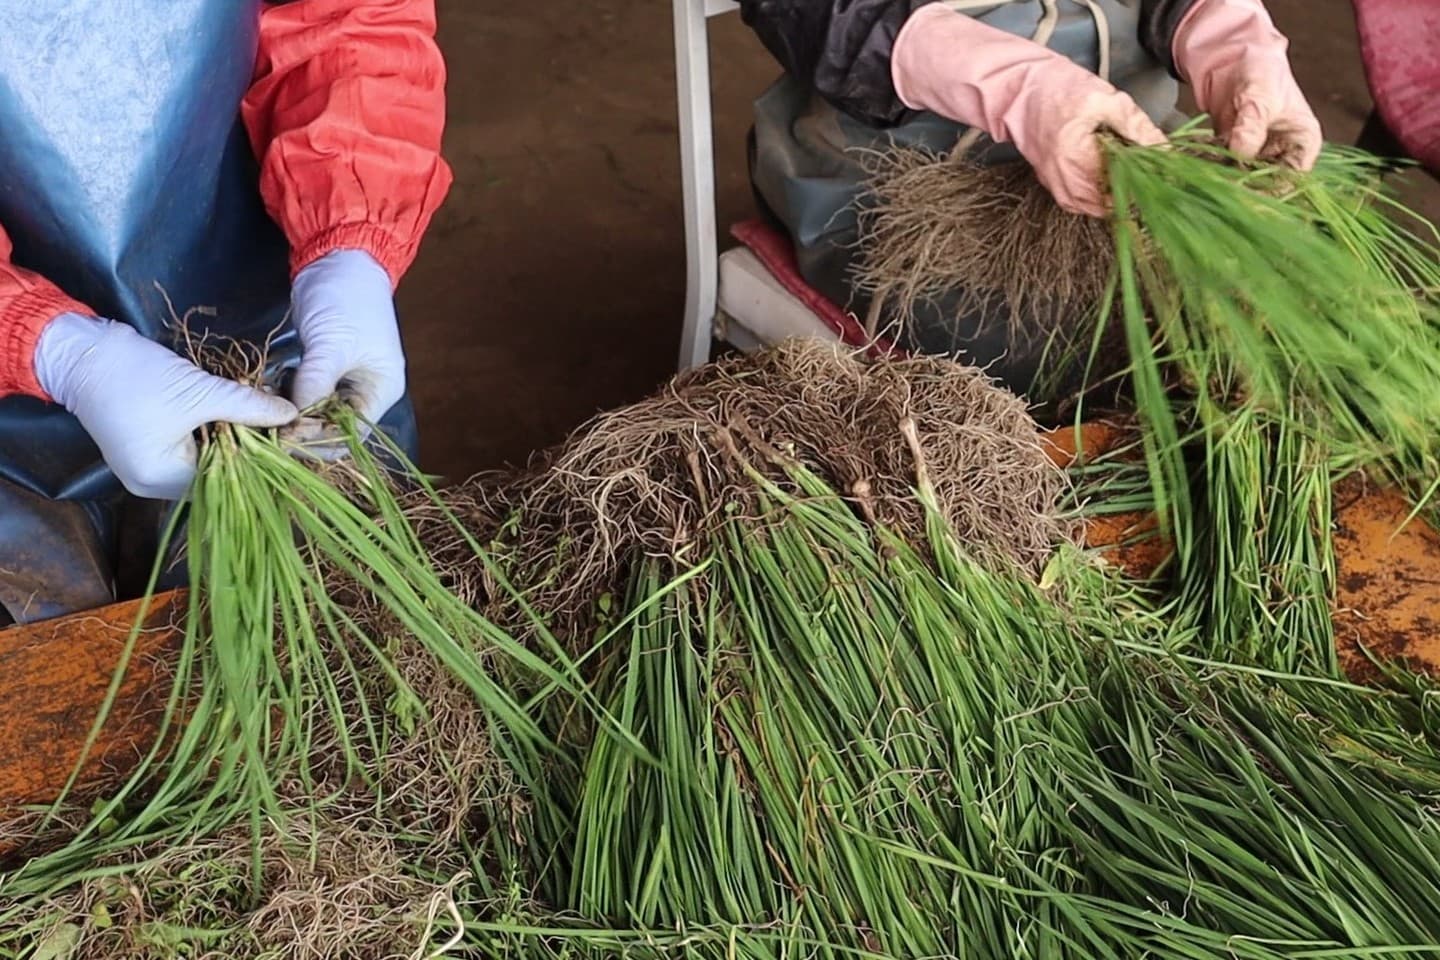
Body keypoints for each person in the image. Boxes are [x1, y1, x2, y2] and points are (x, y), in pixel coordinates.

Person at [0, 0, 452, 624]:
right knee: (49, 660)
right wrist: (49, 348)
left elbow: (349, 18)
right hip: (10, 434)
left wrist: (351, 243)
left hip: (267, 338)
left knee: (334, 623)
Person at [738, 0, 1322, 389]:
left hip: (1128, 142)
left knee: (1284, 300)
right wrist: (1020, 91)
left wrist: (1233, 42)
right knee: (1062, 355)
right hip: (903, 177)